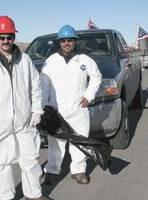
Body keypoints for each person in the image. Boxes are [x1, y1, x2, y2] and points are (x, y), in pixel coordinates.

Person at [0, 16, 46, 200]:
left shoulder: (25, 60)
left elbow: (35, 86)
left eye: (9, 37)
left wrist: (37, 109)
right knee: (0, 163)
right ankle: (6, 196)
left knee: (30, 160)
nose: (5, 41)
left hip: (24, 121)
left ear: (14, 37)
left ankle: (34, 194)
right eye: (2, 37)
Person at [40, 25, 102, 185]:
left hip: (78, 110)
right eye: (63, 40)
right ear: (59, 42)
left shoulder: (84, 60)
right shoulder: (51, 61)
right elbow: (44, 84)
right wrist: (44, 106)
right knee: (55, 144)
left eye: (70, 40)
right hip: (56, 110)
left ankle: (79, 171)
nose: (66, 43)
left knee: (79, 141)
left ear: (75, 41)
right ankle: (52, 171)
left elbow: (96, 77)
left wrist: (89, 96)